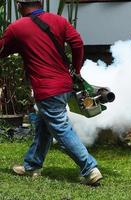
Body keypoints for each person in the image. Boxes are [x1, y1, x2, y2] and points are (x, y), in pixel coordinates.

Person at [0, 0, 102, 186]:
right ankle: (32, 165)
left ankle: (90, 168)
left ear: (19, 6)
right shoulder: (59, 20)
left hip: (46, 88)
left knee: (60, 128)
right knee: (43, 124)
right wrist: (77, 69)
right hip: (65, 84)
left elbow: (2, 50)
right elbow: (77, 42)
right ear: (40, 2)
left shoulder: (17, 28)